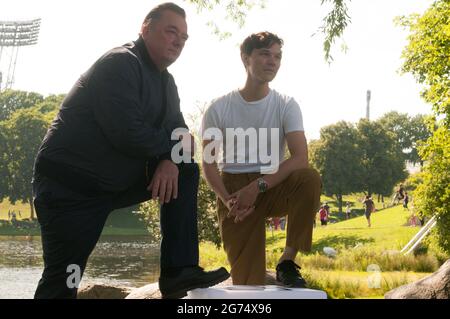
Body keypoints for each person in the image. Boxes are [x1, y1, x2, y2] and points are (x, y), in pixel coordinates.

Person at [31, 3, 229, 299]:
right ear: (145, 28)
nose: (178, 41)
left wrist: (168, 159)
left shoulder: (167, 82)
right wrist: (172, 147)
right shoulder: (119, 64)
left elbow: (179, 132)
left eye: (184, 38)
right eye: (171, 31)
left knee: (185, 168)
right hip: (69, 190)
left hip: (112, 184)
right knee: (66, 278)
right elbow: (128, 133)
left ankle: (178, 270)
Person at [201, 32, 321, 287]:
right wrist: (228, 199)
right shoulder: (218, 107)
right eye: (265, 54)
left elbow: (300, 158)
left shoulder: (286, 104)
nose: (272, 61)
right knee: (247, 284)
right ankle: (254, 274)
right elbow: (208, 164)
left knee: (309, 178)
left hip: (272, 182)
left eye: (277, 56)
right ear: (246, 58)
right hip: (233, 190)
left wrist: (258, 186)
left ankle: (287, 261)